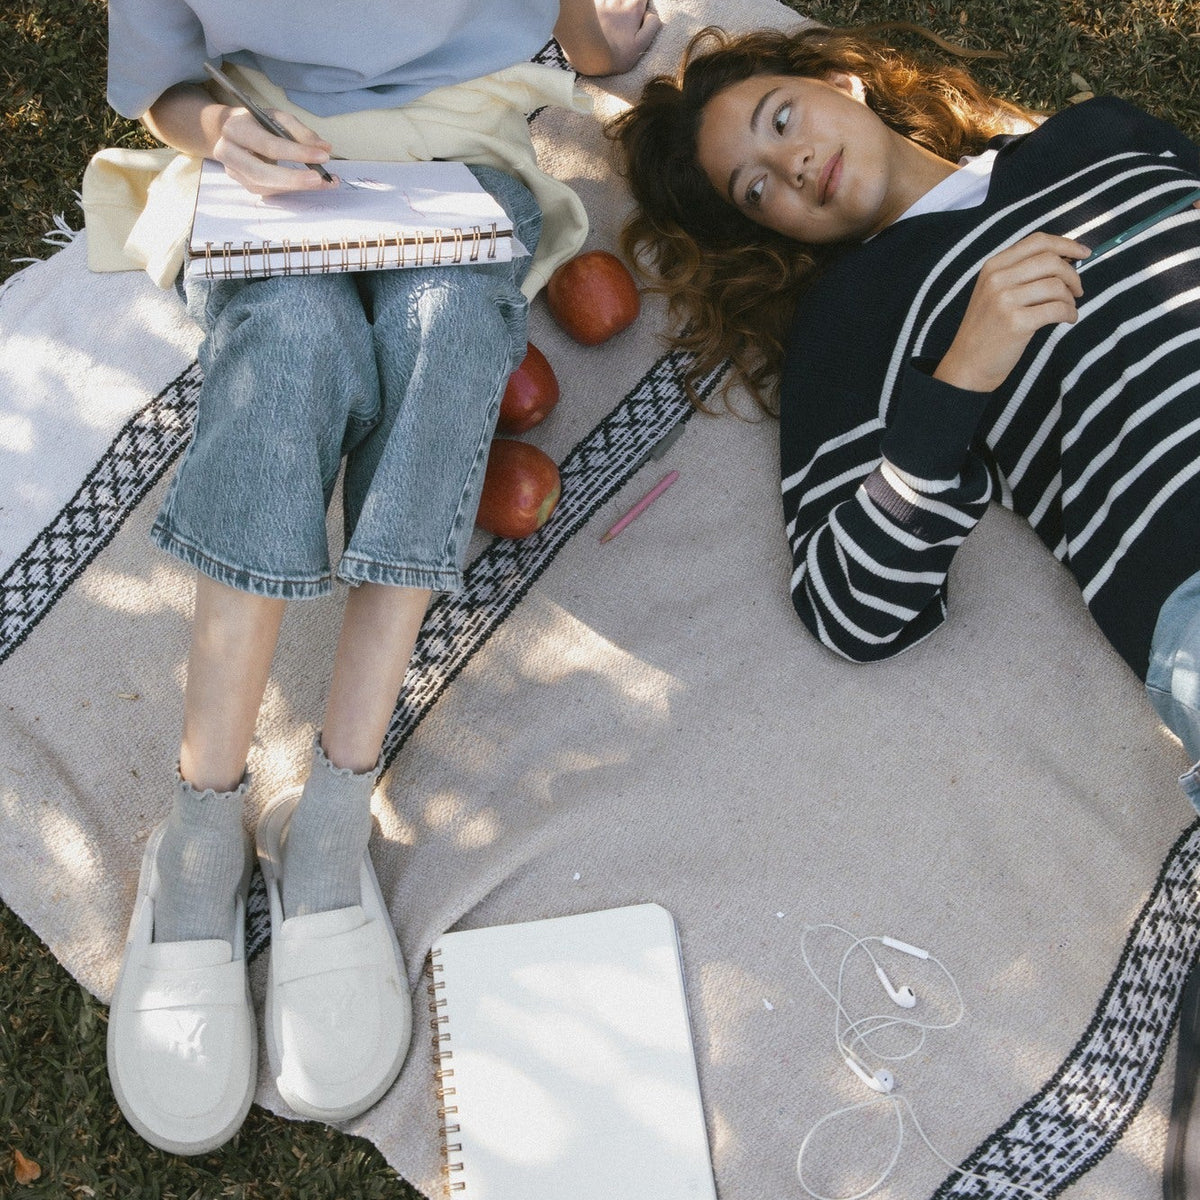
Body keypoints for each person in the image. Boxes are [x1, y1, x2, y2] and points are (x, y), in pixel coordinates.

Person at [611, 23, 1200, 1195]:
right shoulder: (859, 321)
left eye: (781, 122)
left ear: (842, 82)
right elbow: (851, 606)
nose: (791, 172)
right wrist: (963, 373)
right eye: (756, 190)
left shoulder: (1096, 135)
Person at [102, 0, 660, 1157]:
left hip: (463, 157)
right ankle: (200, 838)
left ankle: (332, 817)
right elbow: (165, 86)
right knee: (294, 348)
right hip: (276, 152)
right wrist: (215, 133)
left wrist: (605, 22)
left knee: (449, 328)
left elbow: (602, 45)